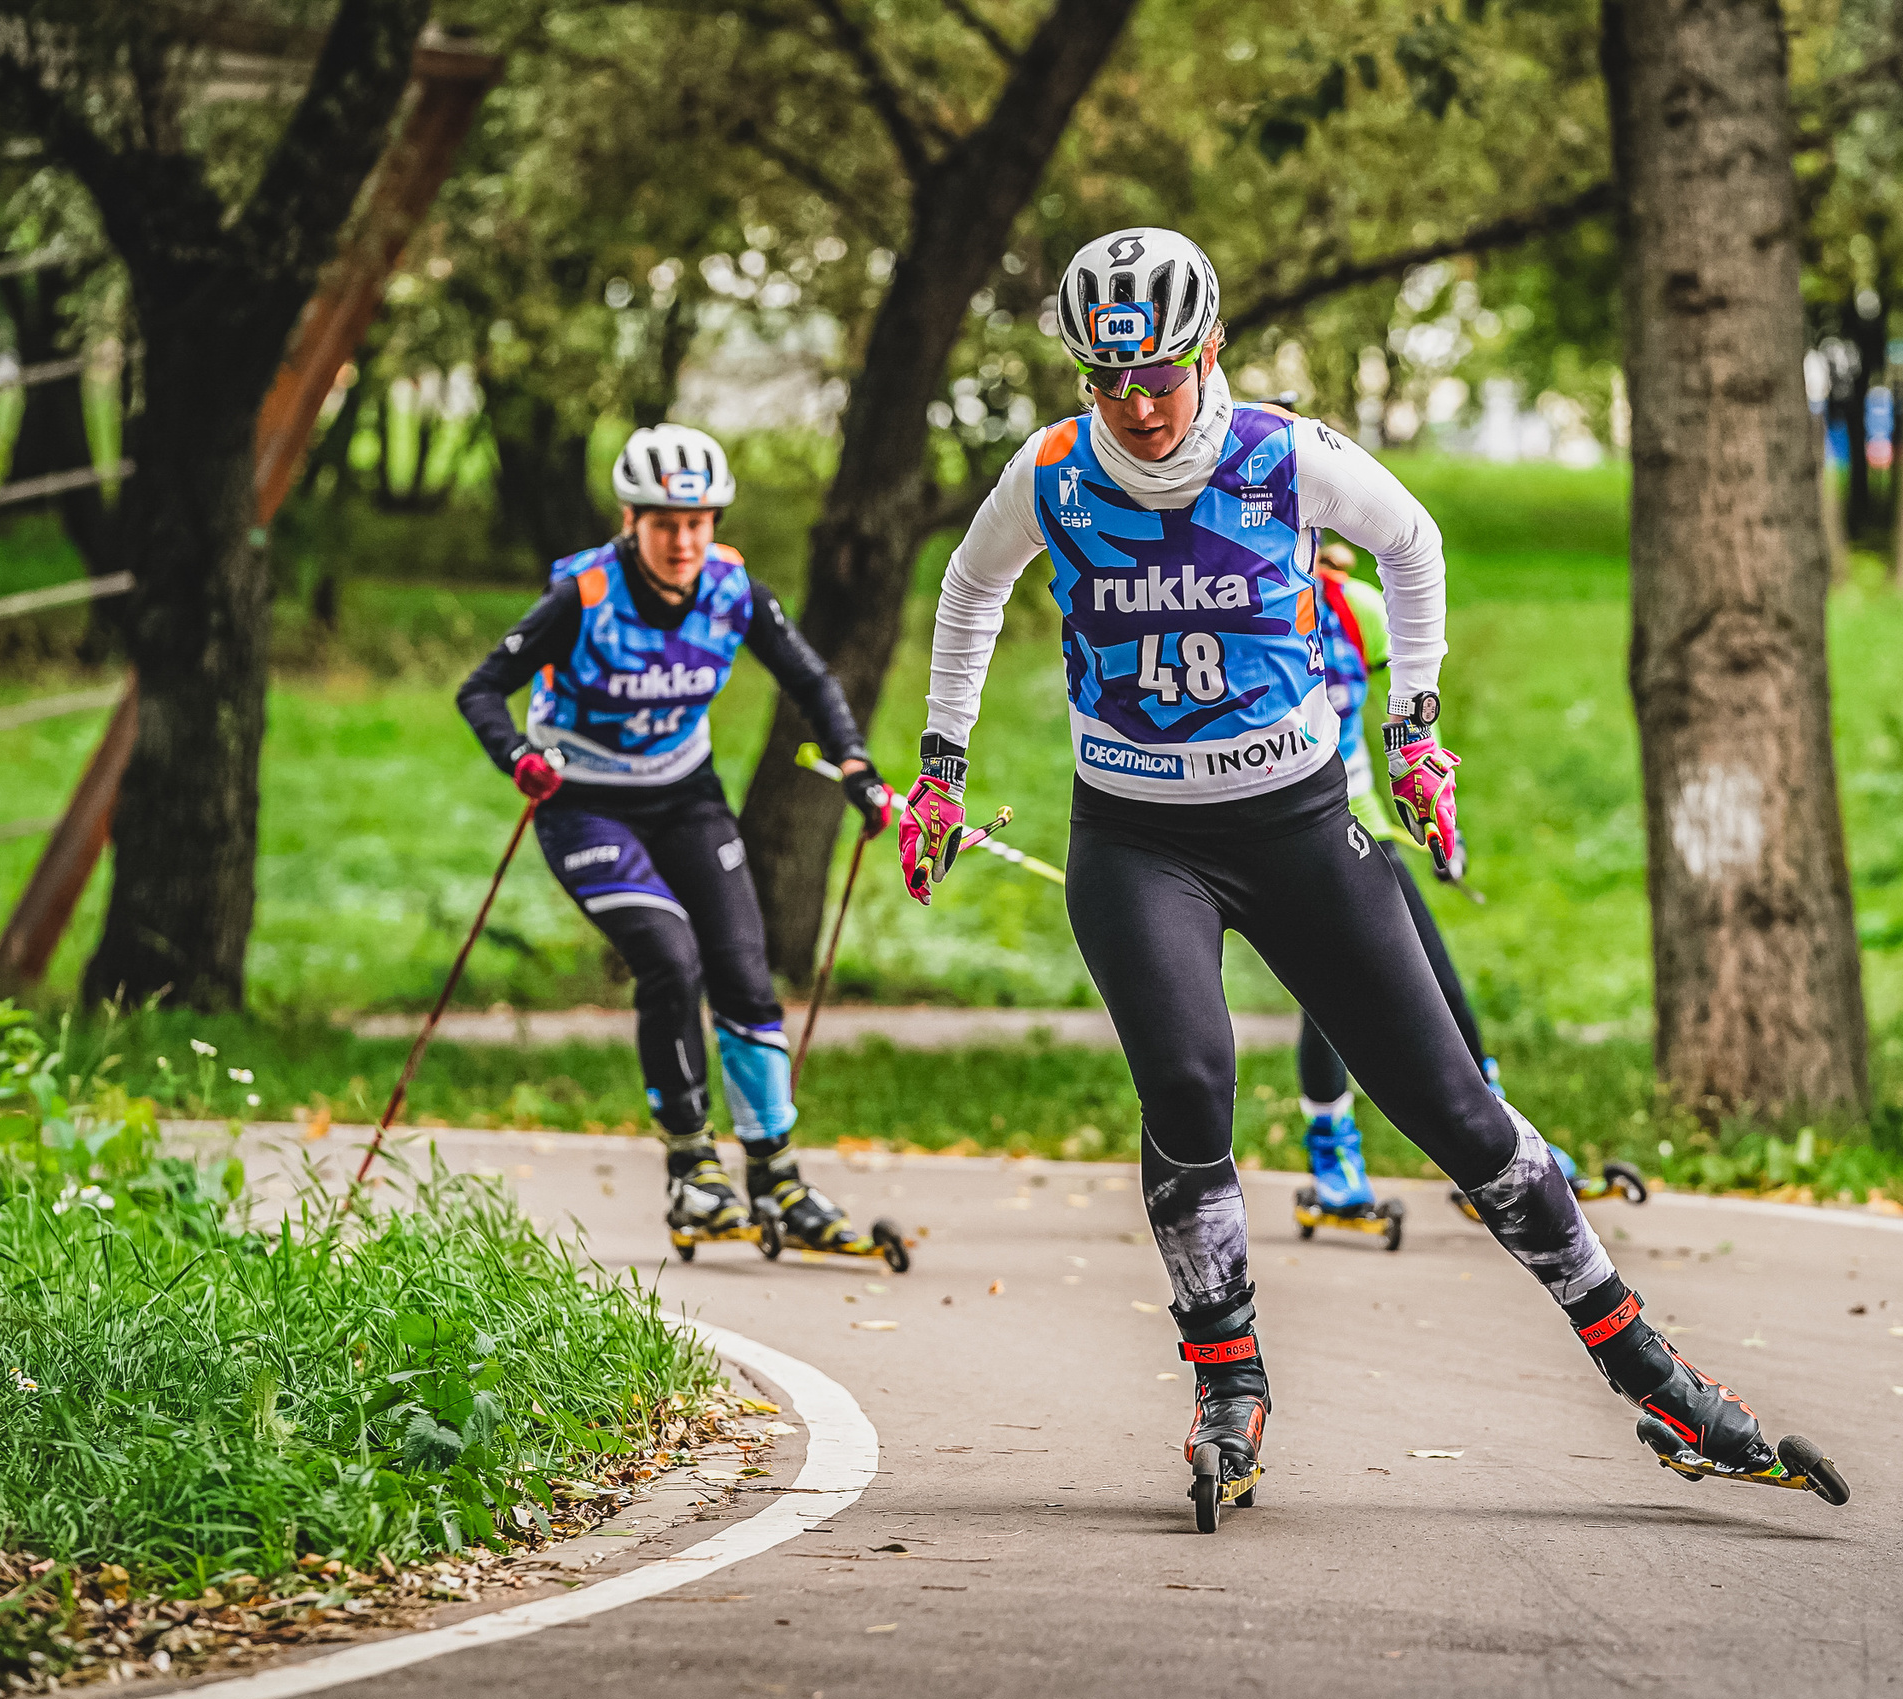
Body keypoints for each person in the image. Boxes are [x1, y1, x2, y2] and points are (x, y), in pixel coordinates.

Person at [896, 228, 1786, 1521]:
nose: (1139, 407)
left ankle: (1645, 1364)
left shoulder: (1279, 455)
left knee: (1458, 1110)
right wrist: (942, 761)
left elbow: (1413, 543)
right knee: (1191, 1085)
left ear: (1210, 352)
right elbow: (969, 590)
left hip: (1302, 826)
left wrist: (1416, 732)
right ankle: (1226, 1380)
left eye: (1160, 375)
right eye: (1108, 380)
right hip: (1137, 839)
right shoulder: (1051, 472)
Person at [456, 424, 892, 1253]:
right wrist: (518, 757)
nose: (684, 540)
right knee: (669, 955)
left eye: (698, 522)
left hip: (683, 793)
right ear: (632, 519)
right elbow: (482, 690)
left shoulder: (734, 589)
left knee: (740, 966)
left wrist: (857, 766)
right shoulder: (583, 595)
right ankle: (693, 1171)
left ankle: (777, 1177)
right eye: (665, 523)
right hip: (583, 802)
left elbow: (811, 680)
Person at [1297, 545, 1587, 1222]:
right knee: (1325, 986)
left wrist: (1435, 820)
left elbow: (1407, 716)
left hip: (1360, 816)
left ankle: (1493, 1133)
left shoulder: (1353, 609)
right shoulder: (1245, 611)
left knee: (1430, 966)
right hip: (1283, 829)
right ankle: (1333, 1152)